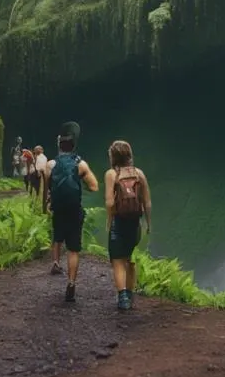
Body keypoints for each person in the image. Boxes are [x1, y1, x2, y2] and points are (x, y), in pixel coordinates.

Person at [45, 121, 98, 302]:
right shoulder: (80, 164)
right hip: (75, 210)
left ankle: (55, 262)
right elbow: (94, 186)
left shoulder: (50, 164)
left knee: (57, 236)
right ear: (73, 146)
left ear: (59, 146)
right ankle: (71, 282)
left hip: (58, 209)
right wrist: (80, 180)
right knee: (74, 249)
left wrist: (45, 204)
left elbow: (47, 187)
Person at [104, 140, 151, 311]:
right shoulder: (139, 174)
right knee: (129, 258)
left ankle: (123, 297)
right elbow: (147, 202)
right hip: (135, 224)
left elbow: (110, 202)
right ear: (129, 155)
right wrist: (148, 223)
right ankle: (130, 294)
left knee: (117, 261)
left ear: (113, 156)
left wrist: (109, 220)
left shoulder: (111, 174)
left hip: (119, 222)